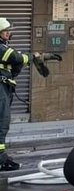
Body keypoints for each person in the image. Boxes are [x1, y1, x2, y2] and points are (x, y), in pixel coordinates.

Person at [0, 18, 47, 171]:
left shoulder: (3, 48)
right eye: (6, 31)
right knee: (1, 124)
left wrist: (39, 58)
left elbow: (16, 63)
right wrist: (33, 56)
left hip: (4, 89)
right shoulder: (1, 48)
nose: (9, 33)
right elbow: (17, 58)